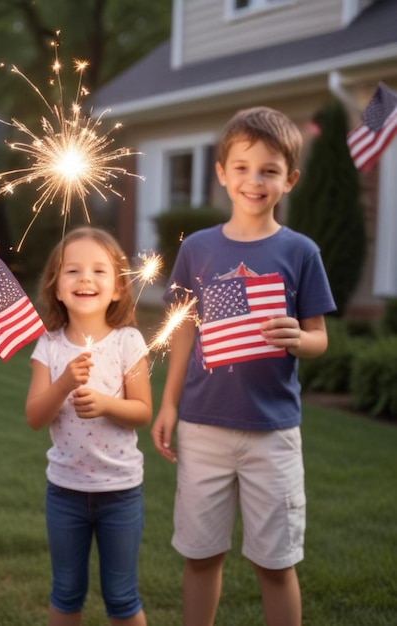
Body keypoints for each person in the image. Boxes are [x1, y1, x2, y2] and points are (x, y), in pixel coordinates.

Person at [151, 107, 336, 626]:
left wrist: (300, 337)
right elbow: (183, 328)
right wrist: (168, 404)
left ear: (290, 180)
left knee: (275, 563)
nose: (255, 180)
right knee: (201, 555)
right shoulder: (199, 249)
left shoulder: (301, 252)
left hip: (272, 432)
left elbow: (320, 337)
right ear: (222, 172)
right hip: (203, 425)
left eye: (270, 170)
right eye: (243, 167)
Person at [25, 226, 153, 626]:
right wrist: (64, 381)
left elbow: (143, 412)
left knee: (121, 594)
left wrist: (105, 404)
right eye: (72, 271)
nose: (85, 279)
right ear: (57, 288)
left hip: (120, 492)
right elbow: (34, 417)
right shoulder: (48, 345)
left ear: (117, 288)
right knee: (65, 591)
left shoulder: (128, 341)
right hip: (65, 492)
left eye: (99, 271)